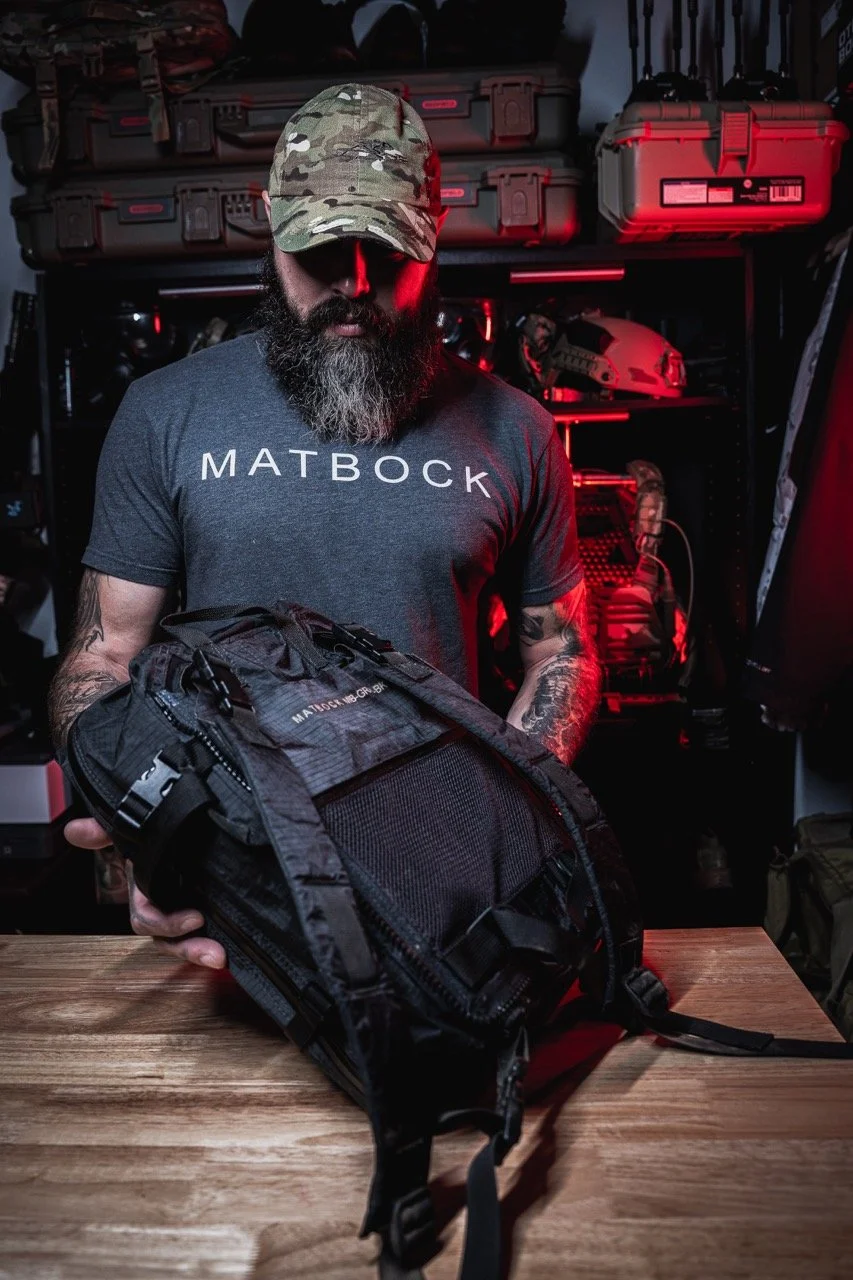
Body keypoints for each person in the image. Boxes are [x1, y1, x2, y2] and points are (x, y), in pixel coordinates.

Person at [48, 83, 601, 969]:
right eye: (318, 252)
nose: (352, 287)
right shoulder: (165, 413)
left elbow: (559, 652)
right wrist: (150, 818)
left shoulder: (516, 429)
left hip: (445, 865)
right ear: (268, 223)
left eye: (384, 256)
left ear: (435, 229)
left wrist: (509, 814)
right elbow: (104, 656)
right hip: (247, 853)